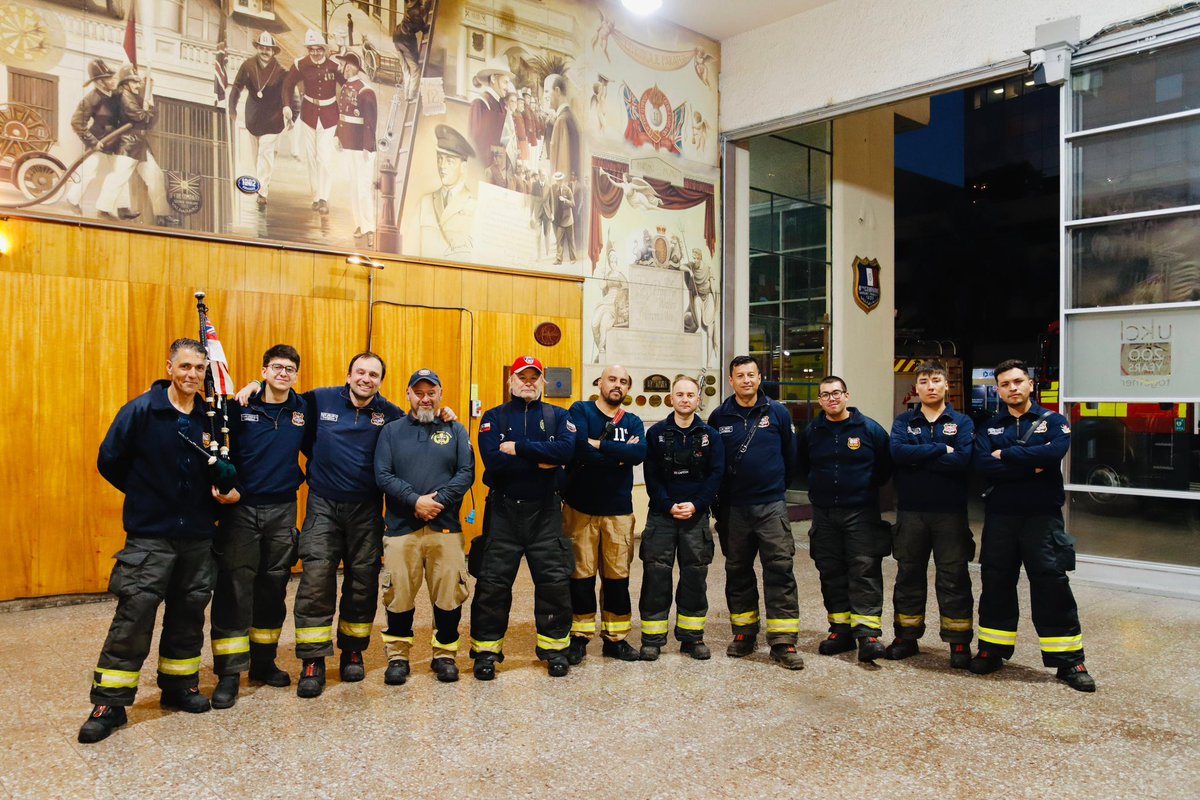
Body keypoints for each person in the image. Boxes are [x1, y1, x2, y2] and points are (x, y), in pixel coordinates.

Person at [78, 339, 241, 744]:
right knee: (133, 617)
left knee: (188, 614)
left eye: (199, 368)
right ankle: (109, 704)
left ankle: (179, 685)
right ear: (169, 367)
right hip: (150, 536)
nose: (192, 375)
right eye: (184, 366)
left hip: (197, 536)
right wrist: (145, 494)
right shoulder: (141, 411)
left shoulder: (209, 417)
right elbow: (109, 460)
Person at [236, 352, 402, 697]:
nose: (366, 379)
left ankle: (353, 651)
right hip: (323, 505)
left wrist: (443, 414)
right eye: (360, 372)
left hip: (367, 510)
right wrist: (255, 384)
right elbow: (282, 397)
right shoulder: (319, 400)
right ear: (348, 375)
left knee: (363, 582)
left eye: (373, 374)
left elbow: (419, 426)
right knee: (315, 581)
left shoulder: (390, 414)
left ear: (380, 382)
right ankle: (313, 660)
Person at [972, 359, 1095, 692]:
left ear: (1030, 384)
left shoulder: (1053, 422)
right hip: (1001, 517)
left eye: (1017, 381)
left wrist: (1005, 456)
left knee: (1051, 584)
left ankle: (1069, 661)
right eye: (1005, 384)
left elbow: (1053, 454)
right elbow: (982, 463)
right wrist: (1030, 464)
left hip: (1043, 518)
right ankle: (991, 650)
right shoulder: (989, 428)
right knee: (996, 582)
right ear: (998, 391)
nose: (1012, 388)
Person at [208, 345, 307, 709]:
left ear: (296, 375)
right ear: (264, 371)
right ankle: (229, 673)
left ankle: (263, 663)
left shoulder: (303, 409)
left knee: (273, 588)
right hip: (242, 510)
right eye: (276, 367)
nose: (283, 373)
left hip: (283, 510)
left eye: (290, 369)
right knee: (234, 590)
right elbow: (217, 448)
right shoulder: (239, 407)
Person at [470, 356, 577, 679]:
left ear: (543, 381)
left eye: (534, 377)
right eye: (522, 377)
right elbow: (493, 462)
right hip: (503, 512)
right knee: (492, 585)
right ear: (511, 381)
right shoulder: (494, 417)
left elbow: (566, 452)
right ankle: (486, 653)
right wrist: (543, 457)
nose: (528, 382)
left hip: (545, 512)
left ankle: (555, 650)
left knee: (554, 584)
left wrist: (518, 448)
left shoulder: (559, 415)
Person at [374, 369, 474, 685]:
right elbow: (383, 474)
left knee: (449, 595)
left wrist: (437, 501)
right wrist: (415, 500)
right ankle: (398, 658)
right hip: (401, 529)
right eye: (419, 393)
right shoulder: (391, 431)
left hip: (446, 528)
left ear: (440, 394)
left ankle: (444, 656)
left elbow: (466, 472)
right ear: (408, 394)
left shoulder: (455, 429)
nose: (425, 398)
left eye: (431, 392)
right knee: (398, 595)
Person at [707, 356, 804, 669]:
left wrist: (775, 489)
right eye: (740, 375)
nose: (746, 380)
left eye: (751, 374)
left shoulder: (777, 412)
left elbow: (791, 457)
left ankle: (783, 640)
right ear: (731, 381)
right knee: (737, 571)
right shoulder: (719, 416)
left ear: (760, 378)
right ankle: (744, 632)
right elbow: (713, 461)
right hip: (734, 508)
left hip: (770, 506)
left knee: (780, 569)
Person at [886, 360, 976, 668]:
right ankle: (906, 637)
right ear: (917, 388)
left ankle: (958, 642)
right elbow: (898, 453)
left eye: (936, 380)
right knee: (908, 575)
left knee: (954, 577)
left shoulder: (961, 422)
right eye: (924, 381)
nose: (930, 386)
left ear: (947, 385)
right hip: (911, 513)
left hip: (950, 514)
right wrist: (940, 449)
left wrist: (919, 456)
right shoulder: (904, 421)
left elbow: (963, 460)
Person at [798, 375, 893, 663]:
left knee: (864, 570)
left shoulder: (869, 429)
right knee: (831, 571)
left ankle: (868, 635)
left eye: (836, 393)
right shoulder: (812, 431)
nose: (832, 398)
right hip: (824, 513)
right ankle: (840, 631)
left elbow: (885, 468)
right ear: (819, 400)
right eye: (825, 394)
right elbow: (802, 465)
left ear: (847, 396)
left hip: (861, 513)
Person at [562, 365, 646, 664]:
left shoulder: (633, 421)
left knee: (617, 578)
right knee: (580, 576)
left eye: (623, 381)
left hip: (618, 512)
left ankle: (616, 639)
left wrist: (599, 445)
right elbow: (578, 449)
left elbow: (638, 454)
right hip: (580, 508)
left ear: (628, 388)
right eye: (612, 379)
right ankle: (579, 637)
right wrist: (619, 455)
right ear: (600, 382)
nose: (617, 385)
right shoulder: (581, 411)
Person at [638, 375, 724, 661]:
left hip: (695, 518)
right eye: (680, 394)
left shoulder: (711, 436)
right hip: (662, 517)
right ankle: (652, 639)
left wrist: (697, 505)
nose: (685, 399)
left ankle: (692, 638)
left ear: (698, 400)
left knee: (695, 577)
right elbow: (651, 475)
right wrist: (667, 505)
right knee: (656, 576)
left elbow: (716, 475)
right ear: (671, 398)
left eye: (690, 395)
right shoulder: (656, 434)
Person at [95, 65, 178, 226]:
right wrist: (149, 110)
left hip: (138, 144)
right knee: (118, 177)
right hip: (126, 144)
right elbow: (141, 117)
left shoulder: (131, 97)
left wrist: (149, 96)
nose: (137, 85)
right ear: (125, 83)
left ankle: (161, 214)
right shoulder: (123, 96)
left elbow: (148, 120)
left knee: (155, 176)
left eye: (138, 82)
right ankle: (103, 209)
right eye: (134, 82)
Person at [283, 30, 342, 215]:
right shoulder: (301, 64)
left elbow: (347, 86)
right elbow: (287, 85)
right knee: (311, 157)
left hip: (329, 116)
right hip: (308, 115)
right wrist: (286, 106)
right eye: (311, 49)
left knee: (325, 158)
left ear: (324, 49)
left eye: (319, 49)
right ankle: (316, 196)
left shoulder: (334, 66)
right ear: (308, 49)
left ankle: (324, 198)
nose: (315, 53)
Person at [229, 32, 288, 209]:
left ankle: (262, 192)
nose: (264, 52)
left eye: (268, 49)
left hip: (273, 119)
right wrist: (232, 108)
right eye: (262, 48)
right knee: (256, 156)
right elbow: (237, 87)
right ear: (257, 48)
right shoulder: (247, 66)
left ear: (273, 51)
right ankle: (260, 182)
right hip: (253, 118)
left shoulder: (281, 71)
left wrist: (291, 114)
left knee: (265, 154)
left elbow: (288, 95)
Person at [66, 59, 128, 215]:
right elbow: (77, 123)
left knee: (121, 171)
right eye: (109, 78)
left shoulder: (116, 95)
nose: (113, 81)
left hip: (116, 141)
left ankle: (122, 208)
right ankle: (72, 200)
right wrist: (93, 142)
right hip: (99, 141)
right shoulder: (91, 99)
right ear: (99, 81)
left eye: (113, 77)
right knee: (88, 171)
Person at [413, 124, 476, 258]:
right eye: (440, 159)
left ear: (463, 167)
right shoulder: (425, 203)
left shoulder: (475, 207)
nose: (442, 166)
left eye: (449, 161)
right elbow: (409, 250)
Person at [335, 52, 378, 247]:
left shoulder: (366, 91)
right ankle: (359, 224)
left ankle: (370, 228)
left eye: (344, 65)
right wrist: (338, 135)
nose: (341, 68)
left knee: (363, 190)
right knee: (353, 187)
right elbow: (342, 114)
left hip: (362, 149)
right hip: (349, 145)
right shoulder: (346, 87)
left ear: (352, 67)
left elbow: (370, 122)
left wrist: (367, 146)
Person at [468, 59, 515, 164]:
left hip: (498, 166)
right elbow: (475, 144)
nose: (507, 87)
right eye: (505, 82)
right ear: (493, 78)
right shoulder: (480, 103)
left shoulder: (501, 105)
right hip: (483, 167)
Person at [543, 72, 580, 181]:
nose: (544, 96)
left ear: (557, 91)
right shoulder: (569, 116)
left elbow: (562, 166)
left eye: (546, 91)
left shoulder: (562, 120)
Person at [392, 0, 431, 100]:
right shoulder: (417, 12)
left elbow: (422, 14)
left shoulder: (408, 8)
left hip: (397, 38)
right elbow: (424, 28)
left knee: (406, 70)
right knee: (415, 70)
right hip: (406, 40)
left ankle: (407, 95)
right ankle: (411, 95)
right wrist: (428, 26)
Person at [546, 171, 576, 265]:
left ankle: (573, 258)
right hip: (559, 220)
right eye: (556, 180)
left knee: (570, 240)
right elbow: (550, 201)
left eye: (559, 180)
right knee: (559, 241)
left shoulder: (568, 190)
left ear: (562, 180)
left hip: (568, 219)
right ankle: (559, 260)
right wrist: (551, 213)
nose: (558, 182)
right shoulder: (553, 188)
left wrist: (565, 200)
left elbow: (573, 204)